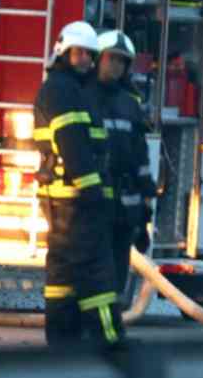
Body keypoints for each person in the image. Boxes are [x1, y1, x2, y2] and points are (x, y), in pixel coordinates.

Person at [33, 21, 124, 348]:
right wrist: (92, 191)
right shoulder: (63, 90)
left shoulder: (67, 88)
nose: (85, 59)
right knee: (97, 274)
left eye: (89, 54)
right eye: (78, 53)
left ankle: (62, 346)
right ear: (63, 52)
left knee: (62, 277)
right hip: (76, 202)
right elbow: (73, 144)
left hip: (63, 201)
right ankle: (110, 344)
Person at [89, 30, 156, 299]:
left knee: (117, 276)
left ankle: (111, 327)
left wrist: (144, 211)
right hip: (93, 204)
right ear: (98, 59)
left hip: (124, 207)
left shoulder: (130, 105)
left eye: (121, 61)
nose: (115, 65)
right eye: (111, 59)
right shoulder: (83, 97)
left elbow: (140, 160)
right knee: (94, 275)